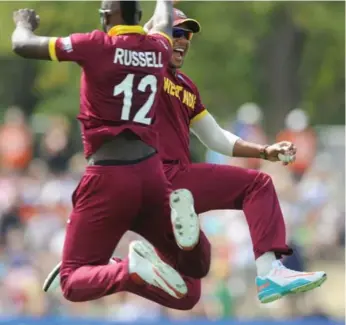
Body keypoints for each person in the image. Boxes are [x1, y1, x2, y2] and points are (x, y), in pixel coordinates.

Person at [43, 8, 326, 306]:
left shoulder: (186, 86)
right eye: (175, 32)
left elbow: (215, 136)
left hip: (153, 189)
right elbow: (139, 34)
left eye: (186, 34)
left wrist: (263, 151)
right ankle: (269, 273)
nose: (181, 40)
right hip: (160, 177)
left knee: (188, 293)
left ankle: (108, 267)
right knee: (257, 185)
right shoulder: (149, 67)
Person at [11, 0, 205, 302]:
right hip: (151, 175)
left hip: (109, 175)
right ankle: (190, 246)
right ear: (140, 18)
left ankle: (127, 270)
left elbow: (23, 45)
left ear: (106, 17)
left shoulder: (95, 45)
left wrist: (24, 23)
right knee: (190, 289)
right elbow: (165, 19)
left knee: (73, 281)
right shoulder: (157, 48)